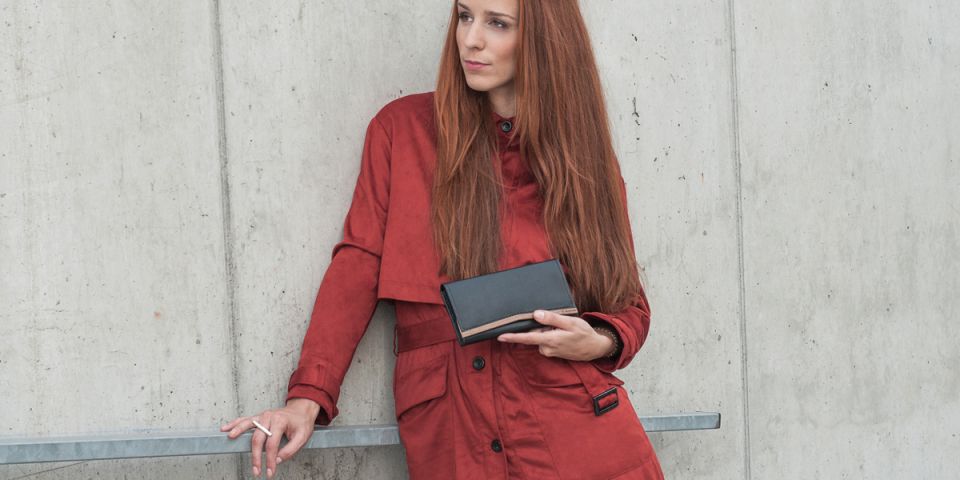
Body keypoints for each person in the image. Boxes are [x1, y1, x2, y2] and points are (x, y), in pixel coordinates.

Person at [221, 0, 664, 478]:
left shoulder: (585, 161)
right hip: (452, 435)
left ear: (542, 38)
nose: (470, 39)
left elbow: (628, 302)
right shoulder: (401, 131)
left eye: (498, 24)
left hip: (579, 431)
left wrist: (597, 342)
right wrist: (307, 396)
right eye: (465, 16)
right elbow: (358, 264)